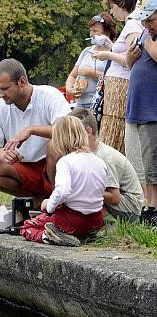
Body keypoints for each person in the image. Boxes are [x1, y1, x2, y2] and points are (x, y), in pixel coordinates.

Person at [0, 59, 71, 200]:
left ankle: (58, 201)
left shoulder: (50, 95)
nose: (1, 94)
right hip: (23, 166)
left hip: (52, 164)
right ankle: (35, 199)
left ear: (22, 81)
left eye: (5, 88)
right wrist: (1, 153)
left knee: (54, 145)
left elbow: (69, 131)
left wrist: (31, 130)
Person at [20, 116, 107, 247]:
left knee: (27, 227)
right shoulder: (99, 162)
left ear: (59, 139)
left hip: (72, 219)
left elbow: (63, 191)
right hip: (96, 219)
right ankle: (86, 234)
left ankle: (49, 236)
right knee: (81, 225)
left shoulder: (65, 162)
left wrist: (48, 205)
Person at [72, 108, 143, 221]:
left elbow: (114, 198)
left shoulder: (103, 157)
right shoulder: (86, 153)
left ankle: (100, 224)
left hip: (129, 210)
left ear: (89, 131)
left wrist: (86, 190)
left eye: (73, 133)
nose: (70, 138)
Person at [93, 0, 143, 154]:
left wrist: (108, 54)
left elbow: (133, 59)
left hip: (121, 86)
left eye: (113, 7)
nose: (112, 12)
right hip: (115, 86)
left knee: (114, 136)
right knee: (109, 133)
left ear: (122, 4)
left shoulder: (133, 25)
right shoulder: (130, 25)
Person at [126, 0, 157, 225]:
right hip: (139, 107)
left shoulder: (150, 39)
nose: (147, 25)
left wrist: (147, 42)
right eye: (144, 21)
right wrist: (129, 58)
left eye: (152, 20)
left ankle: (154, 207)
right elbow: (130, 63)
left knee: (153, 161)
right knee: (146, 162)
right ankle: (150, 205)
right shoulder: (147, 36)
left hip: (152, 109)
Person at [65, 13, 116, 109]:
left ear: (107, 33)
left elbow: (113, 80)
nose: (91, 34)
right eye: (90, 30)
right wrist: (70, 89)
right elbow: (72, 76)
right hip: (80, 104)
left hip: (100, 105)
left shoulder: (114, 53)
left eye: (95, 31)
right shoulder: (86, 51)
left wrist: (90, 72)